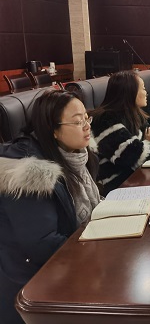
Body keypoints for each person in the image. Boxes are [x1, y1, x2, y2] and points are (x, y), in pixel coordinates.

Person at [0, 90, 99, 324]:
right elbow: (42, 244)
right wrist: (100, 248)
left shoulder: (75, 154)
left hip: (64, 263)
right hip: (31, 286)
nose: (87, 126)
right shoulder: (31, 173)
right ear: (53, 130)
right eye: (78, 121)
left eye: (87, 117)